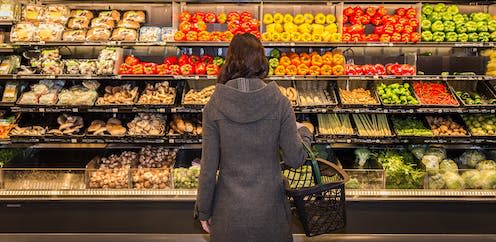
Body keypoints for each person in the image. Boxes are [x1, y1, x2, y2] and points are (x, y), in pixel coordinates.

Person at [195, 33, 312, 242]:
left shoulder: (213, 105)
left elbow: (208, 167)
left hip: (228, 216)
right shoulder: (280, 102)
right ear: (261, 60)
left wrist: (203, 210)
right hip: (271, 215)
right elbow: (296, 158)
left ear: (229, 61)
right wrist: (304, 132)